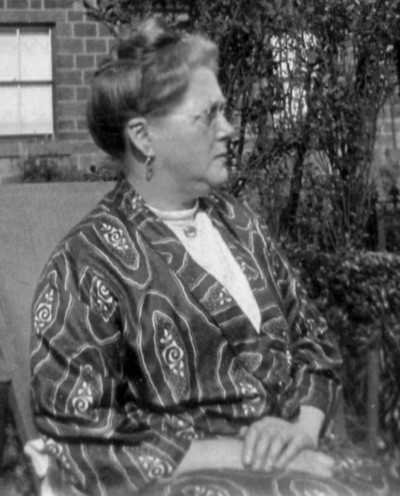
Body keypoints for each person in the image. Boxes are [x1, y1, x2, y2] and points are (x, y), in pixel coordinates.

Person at [28, 18, 397, 496]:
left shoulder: (239, 222)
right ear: (143, 137)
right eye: (208, 116)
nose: (229, 129)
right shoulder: (85, 264)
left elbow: (313, 341)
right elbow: (76, 430)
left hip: (300, 459)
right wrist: (246, 456)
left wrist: (301, 433)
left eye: (224, 111)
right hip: (194, 482)